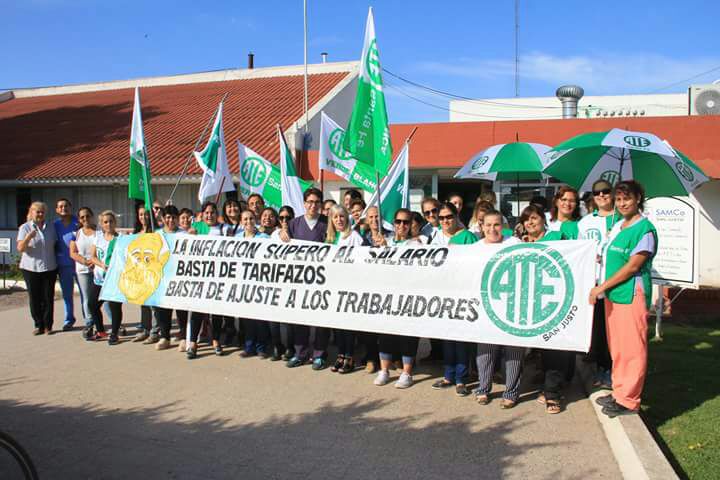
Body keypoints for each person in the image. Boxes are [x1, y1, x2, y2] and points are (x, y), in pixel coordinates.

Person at [590, 180, 657, 418]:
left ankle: (629, 400)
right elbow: (612, 256)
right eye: (618, 199)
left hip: (630, 294)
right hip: (614, 295)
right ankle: (619, 391)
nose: (621, 203)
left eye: (626, 198)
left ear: (638, 199)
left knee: (632, 348)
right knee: (617, 348)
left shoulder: (645, 229)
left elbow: (632, 267)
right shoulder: (618, 226)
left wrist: (601, 287)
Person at [517, 205, 572, 413]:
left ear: (543, 219)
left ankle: (552, 394)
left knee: (554, 346)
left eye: (534, 218)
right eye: (526, 220)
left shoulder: (558, 237)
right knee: (540, 347)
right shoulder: (522, 243)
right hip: (532, 301)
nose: (530, 223)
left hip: (555, 299)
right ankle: (550, 383)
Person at [474, 210, 524, 408]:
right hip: (486, 307)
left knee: (514, 351)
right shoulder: (475, 248)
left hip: (513, 306)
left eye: (496, 224)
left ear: (502, 226)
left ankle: (511, 392)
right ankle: (483, 388)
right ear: (482, 226)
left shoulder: (514, 243)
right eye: (488, 225)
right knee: (485, 351)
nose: (492, 229)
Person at [280, 188, 329, 369]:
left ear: (321, 204)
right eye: (310, 202)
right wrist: (281, 235)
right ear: (304, 203)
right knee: (300, 318)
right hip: (300, 279)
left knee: (320, 319)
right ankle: (300, 353)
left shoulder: (327, 223)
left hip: (322, 279)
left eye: (316, 202)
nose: (313, 205)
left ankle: (319, 354)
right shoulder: (294, 224)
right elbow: (283, 246)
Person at [374, 208, 422, 389]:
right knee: (385, 334)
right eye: (398, 222)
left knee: (407, 335)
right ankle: (384, 370)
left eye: (406, 222)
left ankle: (407, 373)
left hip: (408, 296)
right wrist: (380, 249)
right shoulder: (384, 241)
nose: (402, 225)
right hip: (387, 296)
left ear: (411, 225)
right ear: (393, 223)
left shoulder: (416, 245)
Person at [578, 180, 620, 389]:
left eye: (605, 191)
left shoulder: (622, 220)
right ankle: (599, 367)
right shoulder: (585, 222)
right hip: (592, 282)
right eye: (597, 193)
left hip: (614, 283)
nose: (601, 195)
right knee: (597, 330)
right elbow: (579, 249)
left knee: (613, 330)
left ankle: (610, 369)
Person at [431, 203, 477, 396]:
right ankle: (448, 375)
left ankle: (461, 379)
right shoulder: (436, 237)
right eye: (441, 218)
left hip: (462, 294)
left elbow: (476, 263)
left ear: (456, 215)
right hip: (443, 294)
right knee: (447, 338)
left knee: (461, 340)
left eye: (448, 216)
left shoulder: (468, 237)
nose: (445, 221)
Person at [326, 205, 364, 374]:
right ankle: (340, 355)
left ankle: (349, 356)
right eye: (335, 217)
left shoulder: (354, 237)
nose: (339, 220)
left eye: (341, 216)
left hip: (350, 286)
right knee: (337, 325)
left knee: (348, 325)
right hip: (334, 286)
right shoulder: (330, 238)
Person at [187, 202, 226, 358]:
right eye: (207, 213)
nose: (210, 215)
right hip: (200, 276)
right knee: (197, 310)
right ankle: (193, 342)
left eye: (212, 212)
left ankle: (216, 340)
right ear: (202, 214)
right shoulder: (196, 228)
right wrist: (189, 236)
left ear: (217, 214)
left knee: (216, 311)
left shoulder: (224, 229)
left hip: (218, 276)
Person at [17, 201, 58, 335]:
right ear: (31, 212)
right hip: (31, 268)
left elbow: (56, 244)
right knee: (35, 298)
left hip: (49, 267)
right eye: (37, 212)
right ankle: (38, 325)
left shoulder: (51, 227)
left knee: (48, 297)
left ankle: (48, 326)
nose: (40, 214)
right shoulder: (25, 227)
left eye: (42, 212)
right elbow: (20, 248)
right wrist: (28, 237)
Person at [153, 206, 187, 351]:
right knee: (162, 310)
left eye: (173, 217)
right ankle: (164, 337)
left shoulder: (184, 234)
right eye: (167, 217)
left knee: (181, 310)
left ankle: (184, 337)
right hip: (162, 277)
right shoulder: (157, 234)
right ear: (163, 218)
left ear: (177, 219)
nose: (170, 220)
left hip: (179, 277)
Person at [238, 210, 272, 358]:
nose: (248, 222)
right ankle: (249, 347)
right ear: (241, 222)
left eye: (251, 218)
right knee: (247, 318)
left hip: (259, 282)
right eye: (245, 219)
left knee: (260, 318)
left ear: (255, 220)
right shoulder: (236, 238)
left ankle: (261, 348)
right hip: (243, 283)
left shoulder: (264, 238)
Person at [88, 210, 123, 345]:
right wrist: (102, 265)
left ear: (115, 223)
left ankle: (114, 334)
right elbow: (92, 256)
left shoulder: (120, 239)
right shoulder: (98, 238)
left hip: (114, 280)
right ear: (101, 224)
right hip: (99, 279)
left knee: (115, 307)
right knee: (92, 304)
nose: (108, 224)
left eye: (111, 221)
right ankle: (101, 331)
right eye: (105, 222)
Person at [69, 207, 99, 339]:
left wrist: (96, 263)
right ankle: (89, 323)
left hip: (98, 269)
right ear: (79, 219)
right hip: (83, 270)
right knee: (87, 298)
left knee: (104, 297)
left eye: (87, 216)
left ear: (92, 216)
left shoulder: (99, 232)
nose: (85, 219)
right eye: (82, 217)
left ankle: (113, 323)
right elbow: (72, 252)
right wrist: (85, 262)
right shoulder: (76, 234)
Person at [270, 205, 296, 360]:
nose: (285, 220)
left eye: (288, 217)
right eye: (281, 218)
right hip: (275, 280)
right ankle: (277, 346)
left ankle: (289, 347)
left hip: (291, 280)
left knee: (287, 319)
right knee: (274, 318)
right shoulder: (274, 235)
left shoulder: (297, 233)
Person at [53, 198, 81, 331]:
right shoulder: (54, 225)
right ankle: (69, 320)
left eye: (66, 206)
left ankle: (90, 319)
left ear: (71, 207)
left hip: (80, 263)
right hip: (63, 264)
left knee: (86, 294)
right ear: (57, 210)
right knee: (67, 295)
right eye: (60, 206)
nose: (64, 208)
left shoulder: (79, 222)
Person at [132, 205, 157, 343]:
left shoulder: (156, 232)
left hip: (153, 272)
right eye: (141, 214)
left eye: (146, 214)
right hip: (140, 273)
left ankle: (155, 331)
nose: (143, 217)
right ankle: (145, 329)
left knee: (153, 304)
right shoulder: (136, 233)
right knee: (143, 303)